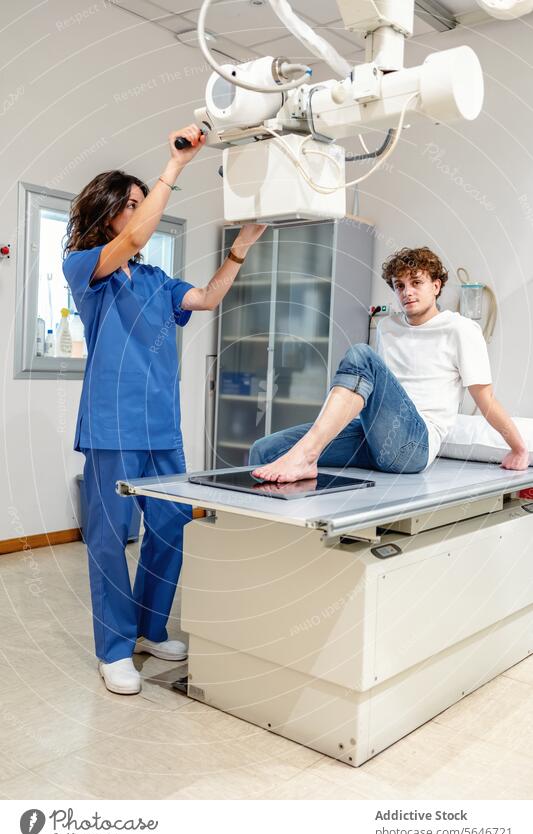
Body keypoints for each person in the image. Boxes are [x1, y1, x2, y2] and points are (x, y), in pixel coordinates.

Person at [63, 125, 265, 694]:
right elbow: (127, 245)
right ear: (110, 217)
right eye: (133, 205)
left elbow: (206, 297)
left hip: (161, 428)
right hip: (111, 426)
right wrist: (174, 167)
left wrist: (239, 249)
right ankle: (114, 647)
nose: (142, 212)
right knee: (109, 536)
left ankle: (151, 628)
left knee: (171, 525)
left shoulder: (155, 279)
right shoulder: (86, 268)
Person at [250, 246, 529, 482]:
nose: (407, 292)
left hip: (412, 445)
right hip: (371, 435)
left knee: (361, 355)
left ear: (436, 285)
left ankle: (306, 456)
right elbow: (370, 395)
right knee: (265, 450)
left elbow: (486, 399)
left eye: (416, 283)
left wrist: (518, 448)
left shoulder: (461, 330)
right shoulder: (388, 327)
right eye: (400, 286)